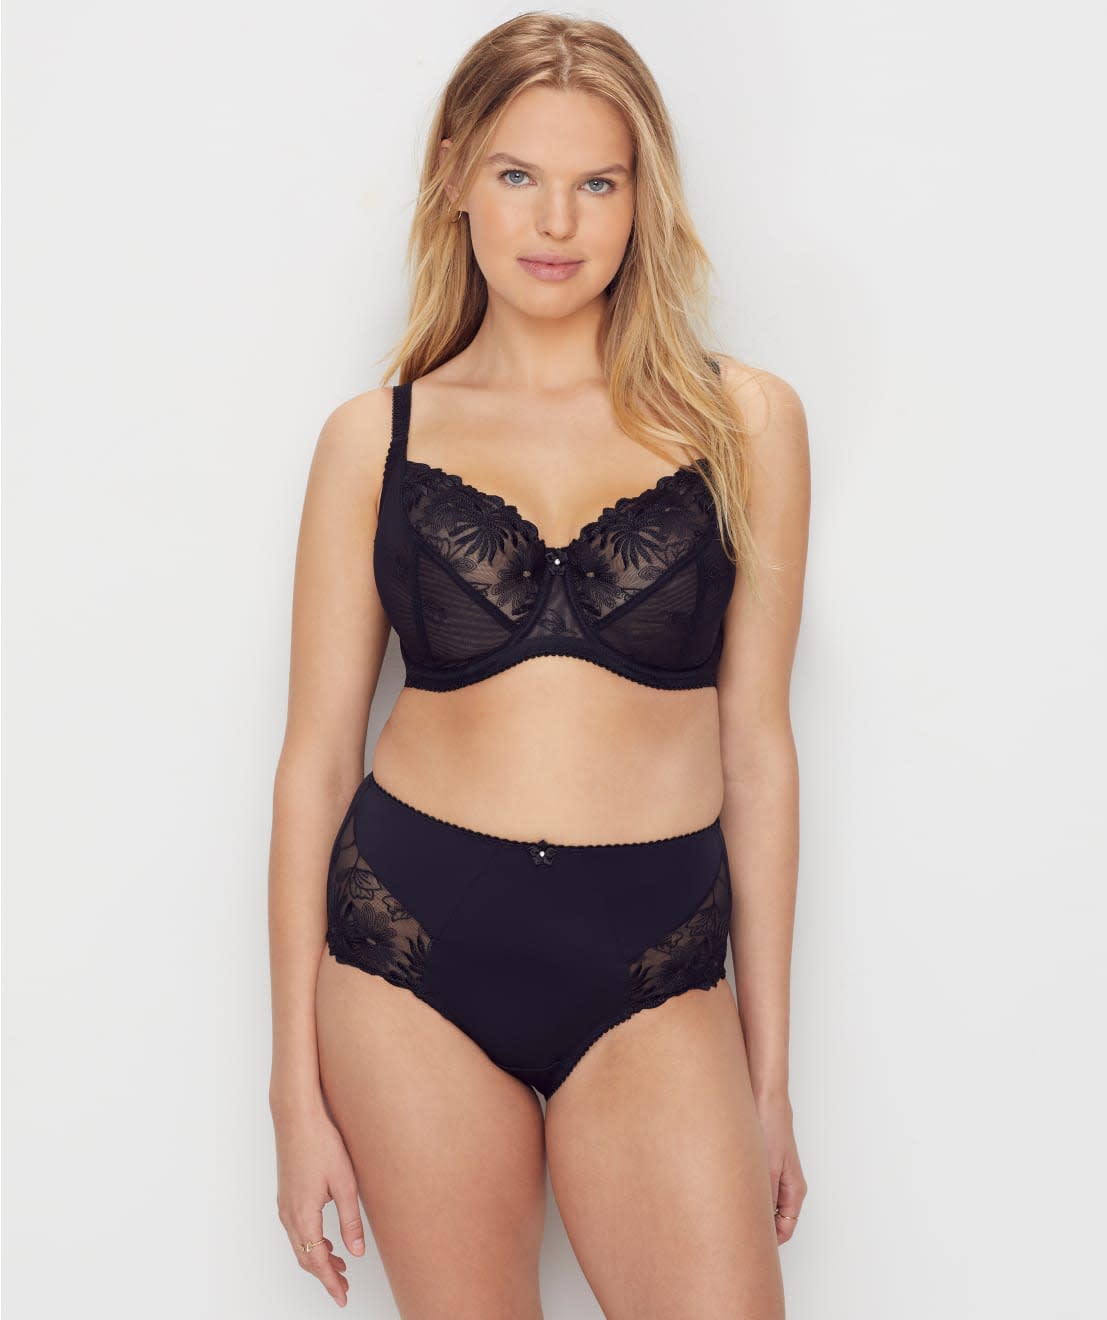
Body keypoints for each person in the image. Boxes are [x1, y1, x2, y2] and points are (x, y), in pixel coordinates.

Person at [268, 13, 810, 1317]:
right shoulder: (375, 438)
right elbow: (316, 759)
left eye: (597, 183)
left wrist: (767, 1077)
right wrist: (291, 1090)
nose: (555, 221)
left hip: (654, 958)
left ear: (641, 198)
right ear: (457, 178)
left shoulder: (744, 422)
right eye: (518, 174)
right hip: (409, 951)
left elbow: (757, 746)